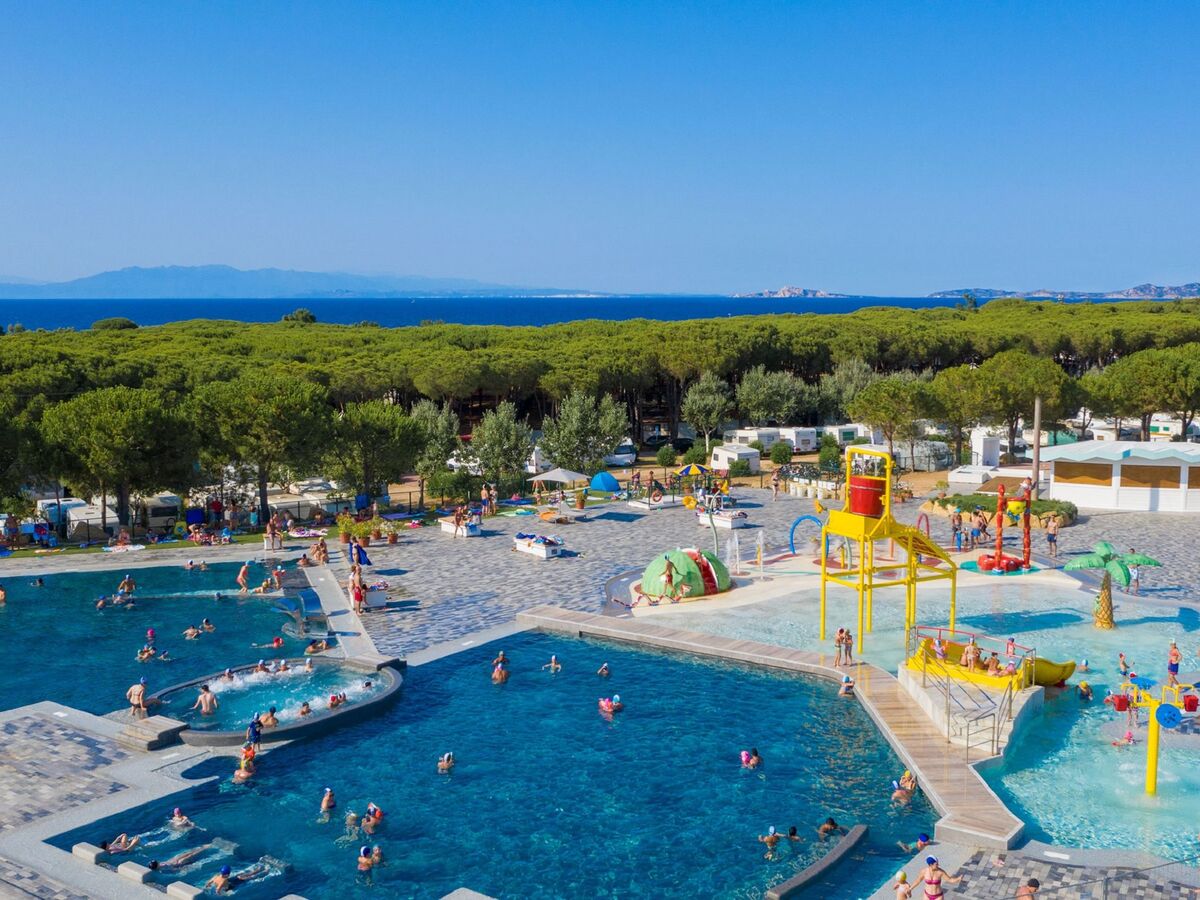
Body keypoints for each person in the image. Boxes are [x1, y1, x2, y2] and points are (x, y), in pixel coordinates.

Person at [148, 843, 215, 872]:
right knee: (191, 855)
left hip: (174, 859)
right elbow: (173, 869)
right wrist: (181, 868)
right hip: (178, 863)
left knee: (188, 853)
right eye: (156, 862)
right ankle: (205, 848)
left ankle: (202, 847)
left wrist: (175, 859)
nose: (157, 861)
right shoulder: (162, 869)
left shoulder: (160, 865)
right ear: (156, 866)